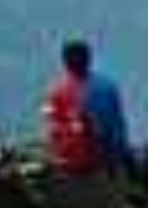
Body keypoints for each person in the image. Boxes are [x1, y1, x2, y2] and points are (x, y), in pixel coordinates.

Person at [40, 38, 139, 180]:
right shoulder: (107, 86)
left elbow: (53, 130)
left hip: (72, 163)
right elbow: (118, 130)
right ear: (89, 59)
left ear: (65, 63)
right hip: (105, 159)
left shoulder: (58, 93)